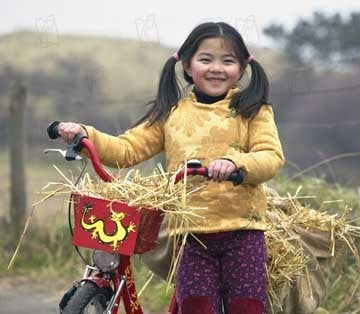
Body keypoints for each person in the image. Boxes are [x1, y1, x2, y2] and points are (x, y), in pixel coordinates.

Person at [57, 22, 285, 314]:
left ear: (241, 69)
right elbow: (127, 149)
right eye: (206, 59)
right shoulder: (172, 114)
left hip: (243, 234)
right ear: (188, 66)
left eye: (228, 61)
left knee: (247, 308)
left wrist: (235, 163)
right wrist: (85, 134)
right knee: (196, 307)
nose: (217, 68)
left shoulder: (253, 110)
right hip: (190, 237)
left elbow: (270, 156)